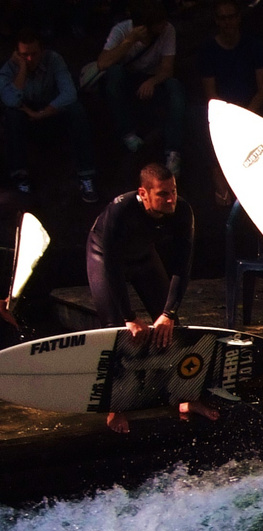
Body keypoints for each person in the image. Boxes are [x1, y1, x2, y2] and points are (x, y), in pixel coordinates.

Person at [86, 163, 214, 433]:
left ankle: (186, 399)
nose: (171, 199)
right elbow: (111, 268)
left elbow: (182, 266)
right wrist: (129, 317)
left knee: (171, 327)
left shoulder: (182, 211)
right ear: (143, 193)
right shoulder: (120, 210)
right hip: (105, 258)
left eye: (174, 192)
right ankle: (115, 407)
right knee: (116, 330)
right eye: (162, 194)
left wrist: (167, 313)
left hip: (143, 257)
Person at [0, 27, 98, 202]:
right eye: (24, 55)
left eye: (33, 54)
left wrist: (42, 113)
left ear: (42, 51)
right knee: (12, 115)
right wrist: (22, 68)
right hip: (25, 118)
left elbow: (69, 93)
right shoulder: (9, 68)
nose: (29, 59)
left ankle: (86, 176)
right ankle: (21, 179)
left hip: (50, 114)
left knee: (76, 109)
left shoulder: (54, 60)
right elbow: (11, 100)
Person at [96, 0, 185, 175]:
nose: (163, 27)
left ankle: (173, 152)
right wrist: (129, 41)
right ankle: (127, 134)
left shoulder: (167, 30)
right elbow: (103, 63)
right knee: (114, 74)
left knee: (175, 87)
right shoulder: (121, 31)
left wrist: (153, 81)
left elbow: (167, 68)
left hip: (152, 78)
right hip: (127, 79)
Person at [199, 0, 263, 205]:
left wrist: (246, 115)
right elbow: (211, 94)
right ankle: (221, 187)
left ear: (238, 18)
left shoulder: (254, 45)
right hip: (223, 112)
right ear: (216, 21)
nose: (227, 22)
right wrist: (229, 118)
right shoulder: (209, 51)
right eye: (222, 18)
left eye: (231, 17)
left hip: (253, 108)